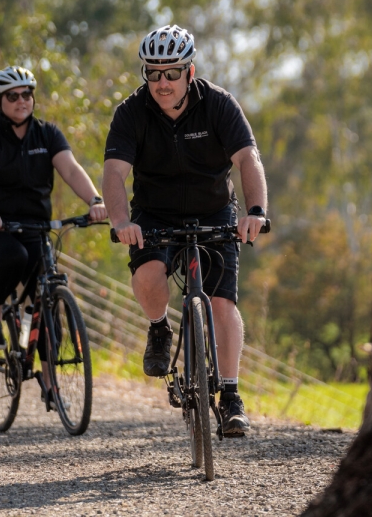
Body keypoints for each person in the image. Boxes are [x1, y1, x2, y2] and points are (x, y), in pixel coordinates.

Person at [102, 25, 269, 437]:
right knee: (147, 275)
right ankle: (159, 327)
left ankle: (230, 396)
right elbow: (114, 173)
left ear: (189, 72)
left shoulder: (219, 104)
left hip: (214, 212)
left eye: (171, 72)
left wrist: (256, 211)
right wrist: (121, 222)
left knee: (222, 304)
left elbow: (248, 158)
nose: (162, 83)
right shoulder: (130, 112)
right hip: (154, 215)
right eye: (153, 73)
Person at [0, 65, 107, 400]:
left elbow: (70, 169)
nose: (21, 101)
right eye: (12, 96)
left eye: (26, 94)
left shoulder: (48, 134)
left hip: (35, 227)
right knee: (14, 256)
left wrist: (95, 200)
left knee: (44, 298)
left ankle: (50, 382)